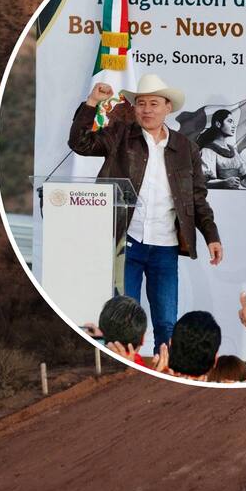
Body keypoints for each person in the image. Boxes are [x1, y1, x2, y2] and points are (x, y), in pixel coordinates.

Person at [68, 73, 223, 354]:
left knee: (166, 321)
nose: (147, 109)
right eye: (141, 103)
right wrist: (92, 102)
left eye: (154, 103)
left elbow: (197, 197)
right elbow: (80, 144)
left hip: (165, 247)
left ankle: (162, 376)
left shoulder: (186, 148)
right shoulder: (119, 135)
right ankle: (124, 376)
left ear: (168, 108)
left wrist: (211, 235)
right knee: (122, 320)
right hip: (125, 243)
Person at [197, 108, 246, 189]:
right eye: (230, 121)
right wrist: (223, 183)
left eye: (233, 123)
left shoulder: (233, 151)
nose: (233, 126)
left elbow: (245, 183)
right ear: (218, 124)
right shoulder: (207, 151)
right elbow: (203, 182)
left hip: (234, 197)